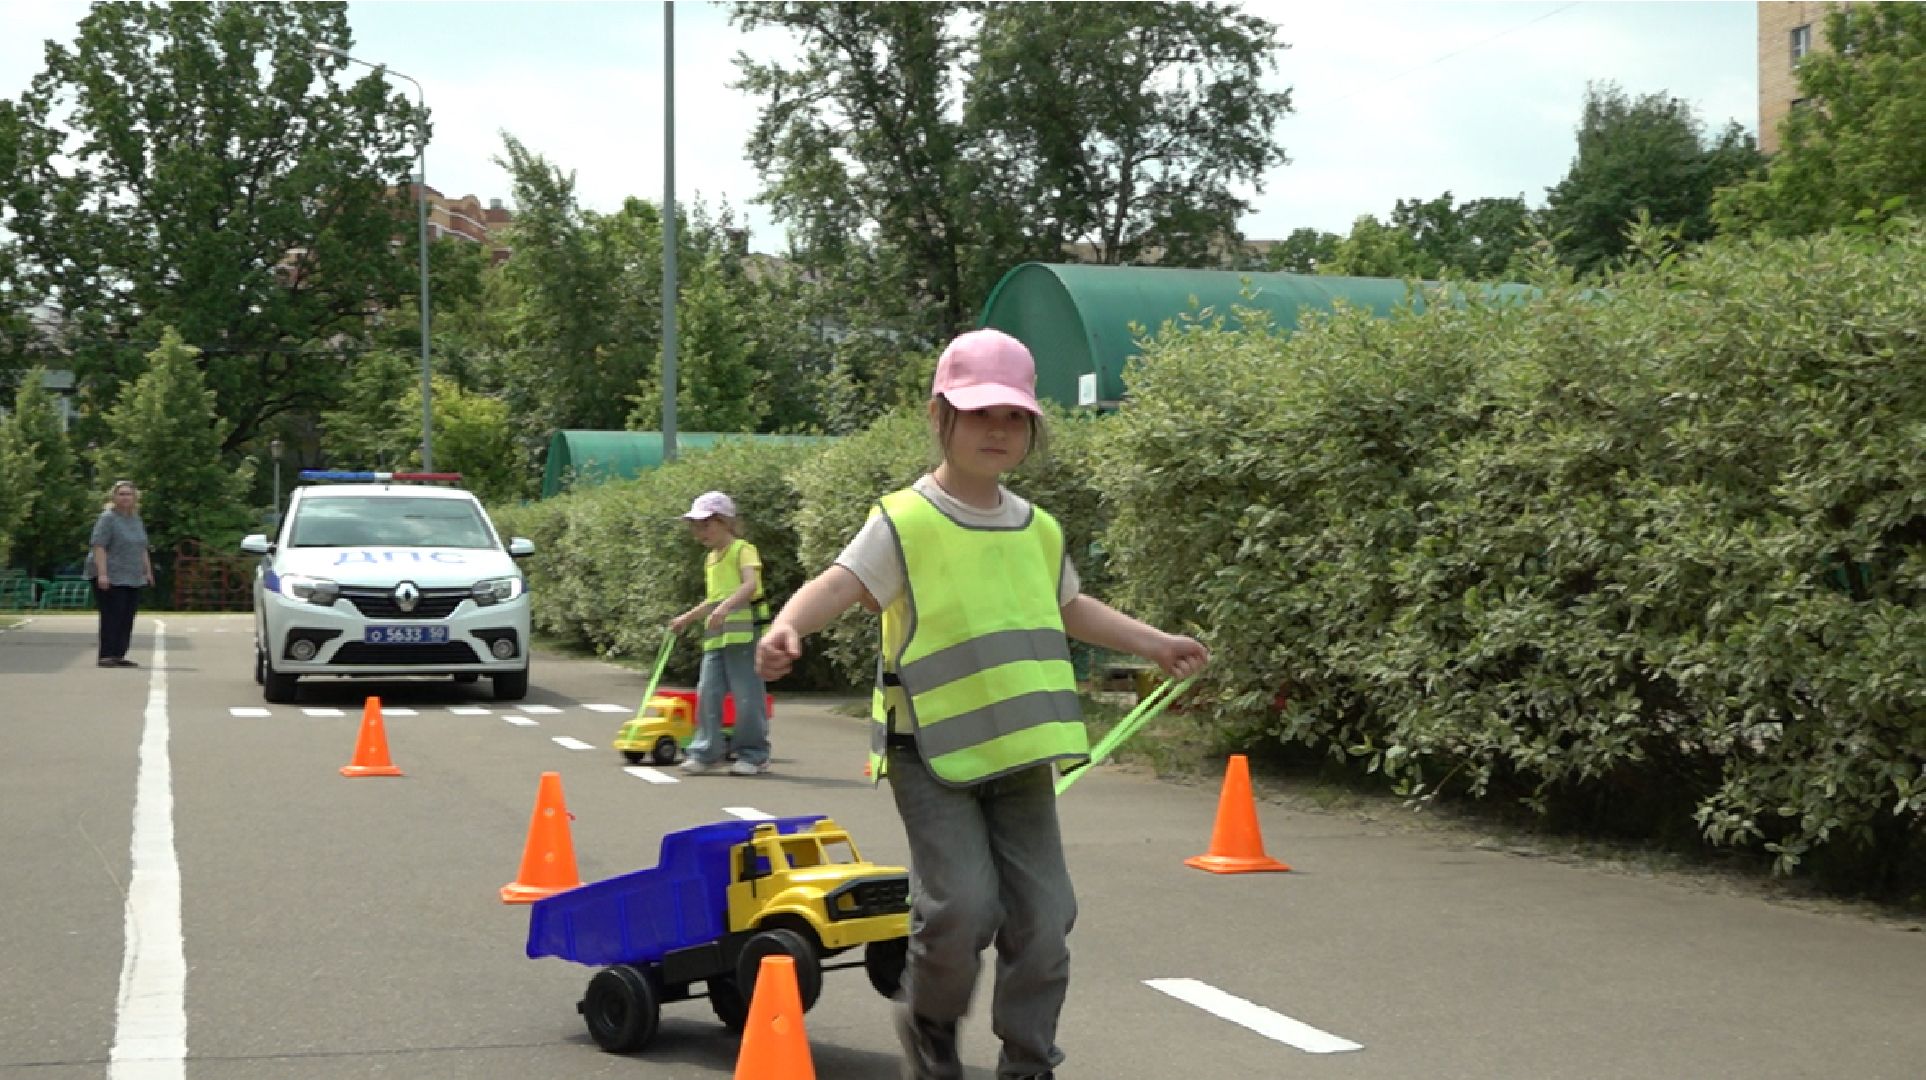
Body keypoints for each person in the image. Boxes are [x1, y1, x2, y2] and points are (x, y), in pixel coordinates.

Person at [755, 328, 1210, 1080]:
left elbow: (1071, 608)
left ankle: (1028, 1061)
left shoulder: (1039, 529)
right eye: (978, 414)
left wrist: (1155, 643)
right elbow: (839, 583)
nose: (997, 430)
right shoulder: (905, 520)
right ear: (940, 416)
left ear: (1031, 427)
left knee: (1045, 916)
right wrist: (788, 624)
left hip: (1020, 752)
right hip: (928, 752)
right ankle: (931, 1023)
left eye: (1014, 417)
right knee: (962, 906)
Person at [669, 490, 774, 776]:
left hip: (745, 636)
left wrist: (725, 608)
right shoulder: (711, 559)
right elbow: (713, 599)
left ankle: (754, 755)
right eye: (695, 526)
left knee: (747, 696)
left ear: (725, 522)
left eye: (706, 524)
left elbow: (750, 586)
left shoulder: (743, 549)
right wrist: (686, 619)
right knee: (708, 692)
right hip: (717, 638)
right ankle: (706, 752)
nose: (700, 532)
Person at [90, 479, 154, 669]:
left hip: (132, 574)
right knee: (113, 614)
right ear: (114, 497)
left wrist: (147, 571)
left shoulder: (135, 519)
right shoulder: (108, 518)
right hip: (111, 574)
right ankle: (106, 654)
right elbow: (99, 546)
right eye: (122, 494)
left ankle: (119, 654)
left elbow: (142, 547)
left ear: (135, 498)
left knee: (127, 615)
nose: (125, 498)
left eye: (129, 494)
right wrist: (102, 574)